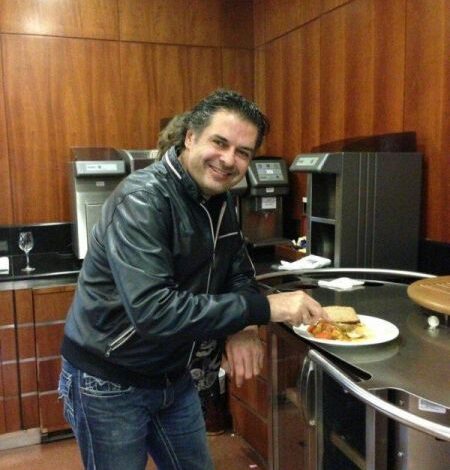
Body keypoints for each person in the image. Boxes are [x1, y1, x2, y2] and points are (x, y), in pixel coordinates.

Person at [58, 89, 327, 470]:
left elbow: (238, 271)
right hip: (110, 380)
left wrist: (244, 326)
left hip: (173, 375)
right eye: (220, 142)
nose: (228, 159)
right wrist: (265, 308)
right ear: (190, 137)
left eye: (243, 152)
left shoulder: (220, 200)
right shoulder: (143, 200)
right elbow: (155, 312)